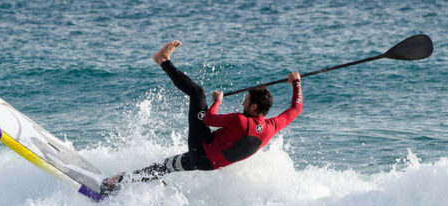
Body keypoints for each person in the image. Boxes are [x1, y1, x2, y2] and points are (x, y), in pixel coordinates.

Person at [100, 40, 303, 196]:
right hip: (205, 164)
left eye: (246, 100)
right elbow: (296, 108)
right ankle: (119, 183)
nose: (243, 103)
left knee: (198, 93)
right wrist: (297, 84)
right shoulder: (272, 127)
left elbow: (207, 119)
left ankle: (162, 59)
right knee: (163, 167)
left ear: (254, 106)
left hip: (201, 146)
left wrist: (218, 101)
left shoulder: (240, 120)